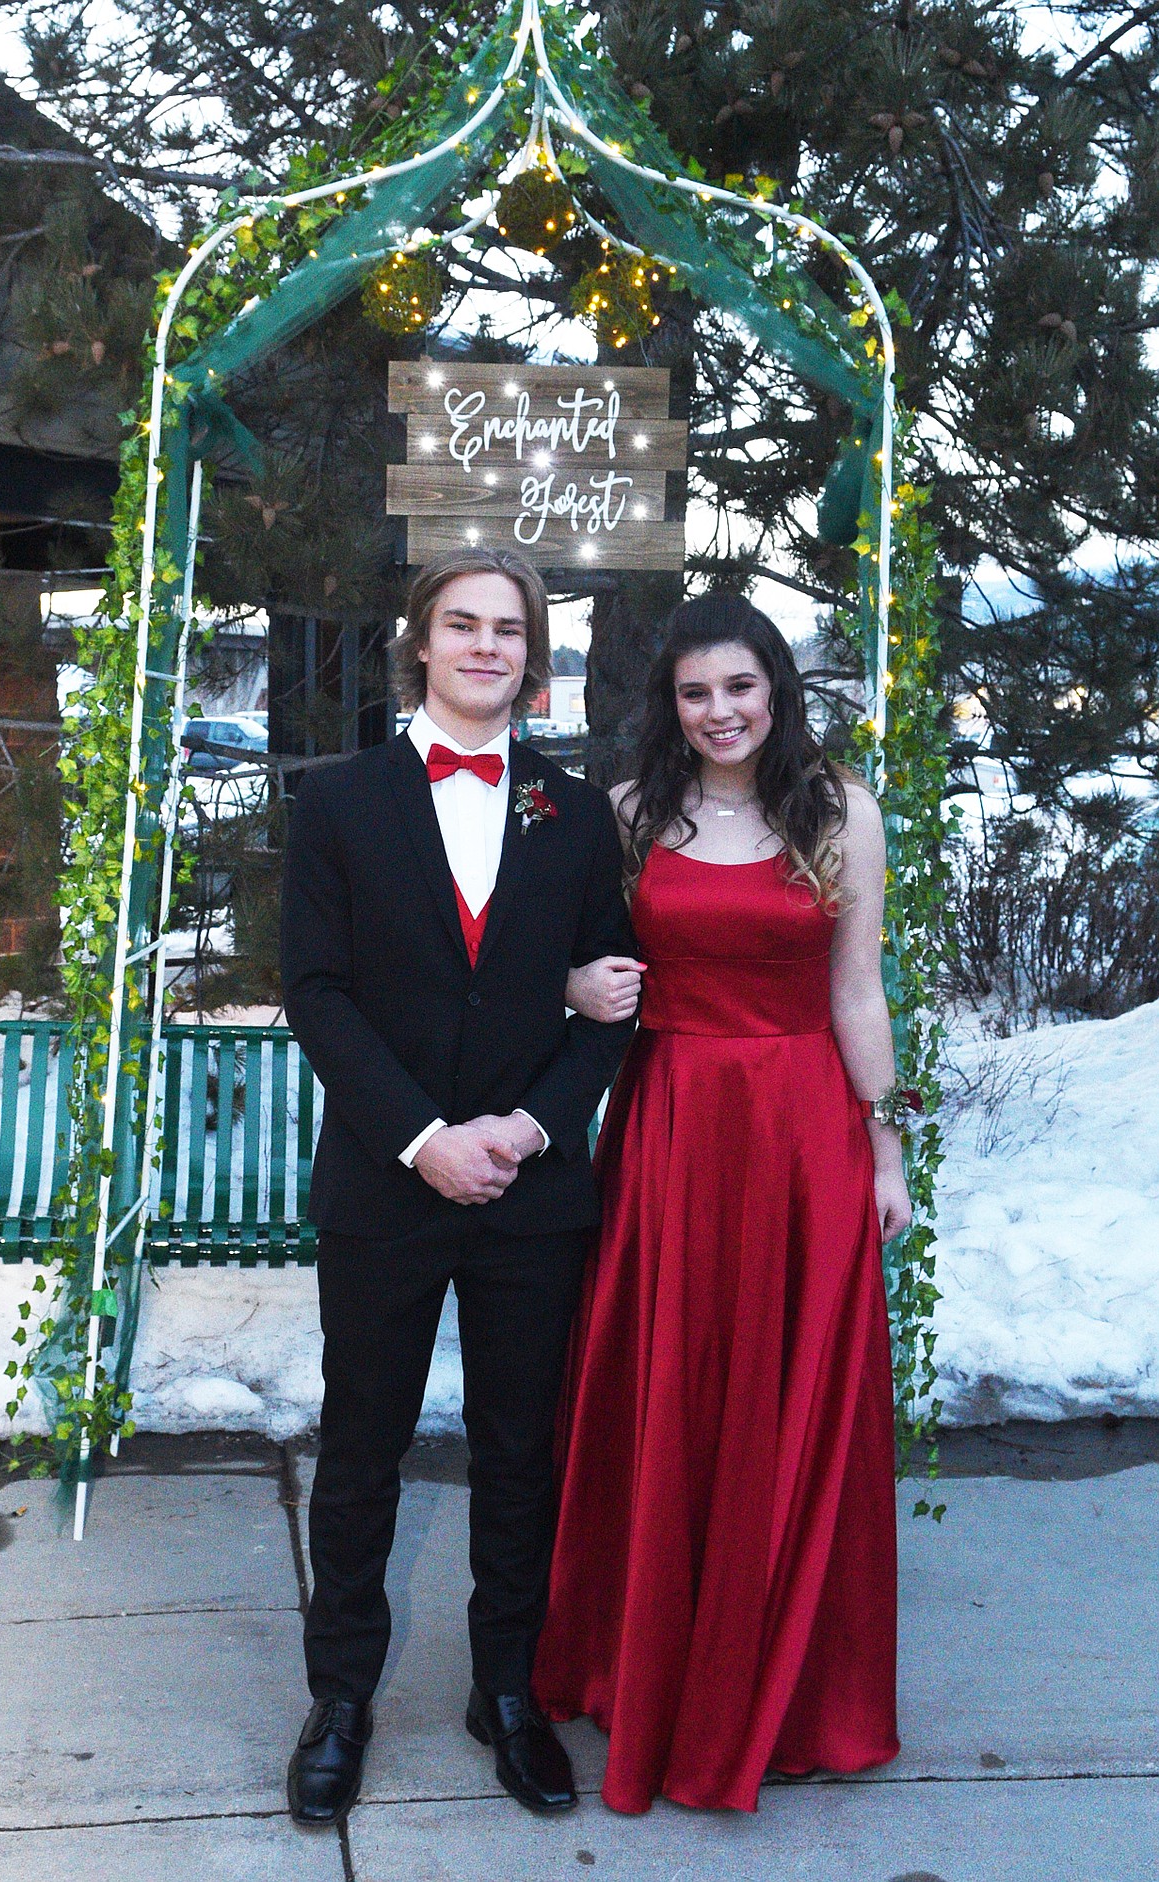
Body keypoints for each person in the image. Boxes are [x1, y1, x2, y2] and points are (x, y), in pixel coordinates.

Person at [534, 591, 911, 1814]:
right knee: (669, 1391)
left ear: (776, 690)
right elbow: (577, 967)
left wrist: (887, 1151)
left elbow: (857, 993)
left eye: (740, 688)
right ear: (672, 706)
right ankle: (645, 1662)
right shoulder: (632, 817)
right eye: (697, 693)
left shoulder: (841, 811)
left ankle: (792, 1688)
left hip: (803, 1132)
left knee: (793, 1400)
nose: (721, 712)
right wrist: (572, 981)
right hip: (671, 1129)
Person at [279, 547, 634, 1826]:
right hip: (387, 1181)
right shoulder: (339, 800)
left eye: (510, 629)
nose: (487, 645)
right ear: (418, 643)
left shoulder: (576, 813)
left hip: (532, 1193)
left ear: (534, 656)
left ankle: (508, 1691)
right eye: (462, 624)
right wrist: (424, 1135)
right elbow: (315, 992)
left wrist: (531, 1130)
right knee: (362, 1448)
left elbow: (611, 1003)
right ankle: (339, 1698)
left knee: (518, 1450)